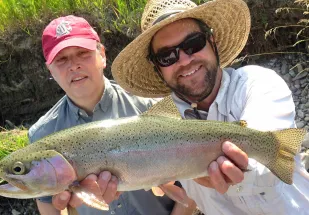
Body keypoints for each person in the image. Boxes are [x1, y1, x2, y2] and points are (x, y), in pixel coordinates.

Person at [111, 0, 309, 214]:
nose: (185, 60)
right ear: (157, 68)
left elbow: (263, 166)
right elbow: (181, 194)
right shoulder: (161, 123)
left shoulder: (257, 84)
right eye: (167, 56)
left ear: (212, 41)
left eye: (193, 44)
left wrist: (233, 170)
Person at [28, 15, 196, 215]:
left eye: (82, 53)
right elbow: (48, 206)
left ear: (102, 55)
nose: (74, 65)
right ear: (50, 70)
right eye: (62, 59)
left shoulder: (152, 107)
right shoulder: (41, 134)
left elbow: (195, 182)